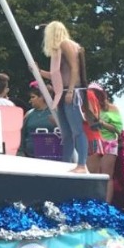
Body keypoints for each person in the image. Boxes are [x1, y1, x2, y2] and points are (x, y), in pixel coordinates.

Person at [42, 21, 88, 172]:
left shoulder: (66, 44)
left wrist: (70, 91)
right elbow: (58, 75)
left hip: (70, 91)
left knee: (77, 130)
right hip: (62, 92)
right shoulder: (58, 51)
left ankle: (81, 164)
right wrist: (39, 72)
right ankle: (66, 164)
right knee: (66, 133)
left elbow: (75, 68)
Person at [85, 84, 123, 203]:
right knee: (93, 175)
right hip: (93, 142)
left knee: (107, 175)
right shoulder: (87, 109)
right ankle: (94, 202)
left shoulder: (112, 109)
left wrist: (101, 123)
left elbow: (118, 129)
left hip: (109, 143)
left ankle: (106, 204)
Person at [19, 83, 56, 157]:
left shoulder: (55, 113)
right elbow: (22, 134)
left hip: (51, 155)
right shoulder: (29, 113)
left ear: (42, 97)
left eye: (33, 97)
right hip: (30, 155)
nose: (30, 100)